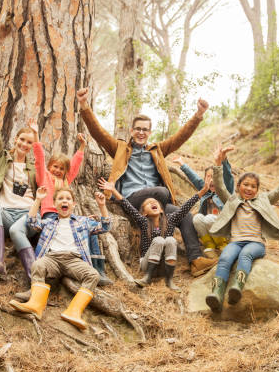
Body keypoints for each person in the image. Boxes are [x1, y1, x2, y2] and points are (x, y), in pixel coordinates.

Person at [76, 87, 216, 276]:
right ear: (132, 131)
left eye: (145, 130)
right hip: (134, 200)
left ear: (150, 132)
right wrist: (84, 105)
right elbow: (99, 132)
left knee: (185, 215)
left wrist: (198, 114)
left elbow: (180, 138)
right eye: (138, 129)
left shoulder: (157, 150)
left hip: (157, 204)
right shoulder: (120, 148)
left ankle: (196, 260)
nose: (141, 132)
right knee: (162, 192)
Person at [205, 149, 279, 312]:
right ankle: (217, 295)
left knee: (245, 255)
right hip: (235, 242)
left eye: (253, 186)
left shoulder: (263, 200)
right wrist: (217, 165)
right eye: (245, 185)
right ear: (239, 186)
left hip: (256, 244)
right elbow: (219, 187)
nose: (249, 188)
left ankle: (236, 288)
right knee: (225, 257)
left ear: (258, 189)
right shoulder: (232, 200)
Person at [9, 186, 110, 330]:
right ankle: (36, 305)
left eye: (68, 199)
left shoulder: (83, 221)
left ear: (74, 204)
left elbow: (105, 227)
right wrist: (38, 200)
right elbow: (31, 222)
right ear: (55, 204)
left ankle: (74, 311)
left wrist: (102, 206)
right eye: (60, 199)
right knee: (38, 265)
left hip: (74, 260)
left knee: (93, 275)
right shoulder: (49, 222)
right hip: (52, 259)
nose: (65, 201)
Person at [30, 120, 111, 285]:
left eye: (61, 168)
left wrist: (82, 147)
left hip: (68, 216)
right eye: (55, 167)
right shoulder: (44, 177)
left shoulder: (66, 181)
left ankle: (98, 269)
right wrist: (36, 135)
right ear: (50, 166)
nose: (58, 170)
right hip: (52, 215)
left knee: (91, 231)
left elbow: (74, 165)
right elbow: (39, 159)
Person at [99, 175, 211, 290]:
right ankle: (147, 277)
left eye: (155, 202)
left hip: (164, 266)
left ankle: (169, 280)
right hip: (147, 264)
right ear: (144, 213)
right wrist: (113, 190)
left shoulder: (170, 220)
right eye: (148, 203)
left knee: (170, 240)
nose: (153, 203)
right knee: (159, 240)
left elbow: (186, 207)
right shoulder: (143, 221)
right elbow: (126, 204)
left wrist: (202, 191)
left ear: (162, 209)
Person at [0, 81, 39, 280]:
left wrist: (37, 135)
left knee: (15, 230)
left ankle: (35, 276)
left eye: (29, 142)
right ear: (16, 139)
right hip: (6, 213)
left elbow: (44, 169)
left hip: (28, 215)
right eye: (22, 140)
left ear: (32, 146)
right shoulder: (3, 159)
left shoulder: (34, 167)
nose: (24, 144)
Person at [172, 145, 235, 258]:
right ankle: (209, 244)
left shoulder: (226, 190)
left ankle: (222, 245)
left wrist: (223, 159)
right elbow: (194, 178)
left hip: (225, 231)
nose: (211, 180)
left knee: (209, 218)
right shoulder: (205, 191)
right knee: (197, 218)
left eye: (214, 177)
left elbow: (228, 176)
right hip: (210, 229)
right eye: (208, 177)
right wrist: (182, 164)